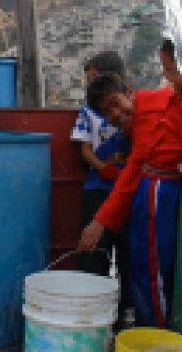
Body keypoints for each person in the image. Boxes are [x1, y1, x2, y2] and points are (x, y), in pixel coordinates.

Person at [78, 19, 182, 329]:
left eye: (168, 71)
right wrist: (102, 220)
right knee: (146, 267)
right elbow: (137, 164)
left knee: (152, 269)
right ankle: (152, 328)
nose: (166, 79)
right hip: (150, 190)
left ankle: (154, 332)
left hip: (159, 192)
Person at [70, 50, 132, 326]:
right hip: (98, 188)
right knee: (95, 253)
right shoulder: (88, 111)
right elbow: (84, 150)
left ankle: (124, 314)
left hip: (128, 187)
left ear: (117, 79)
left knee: (129, 253)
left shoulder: (131, 107)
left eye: (95, 78)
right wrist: (102, 168)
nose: (91, 87)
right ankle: (93, 314)